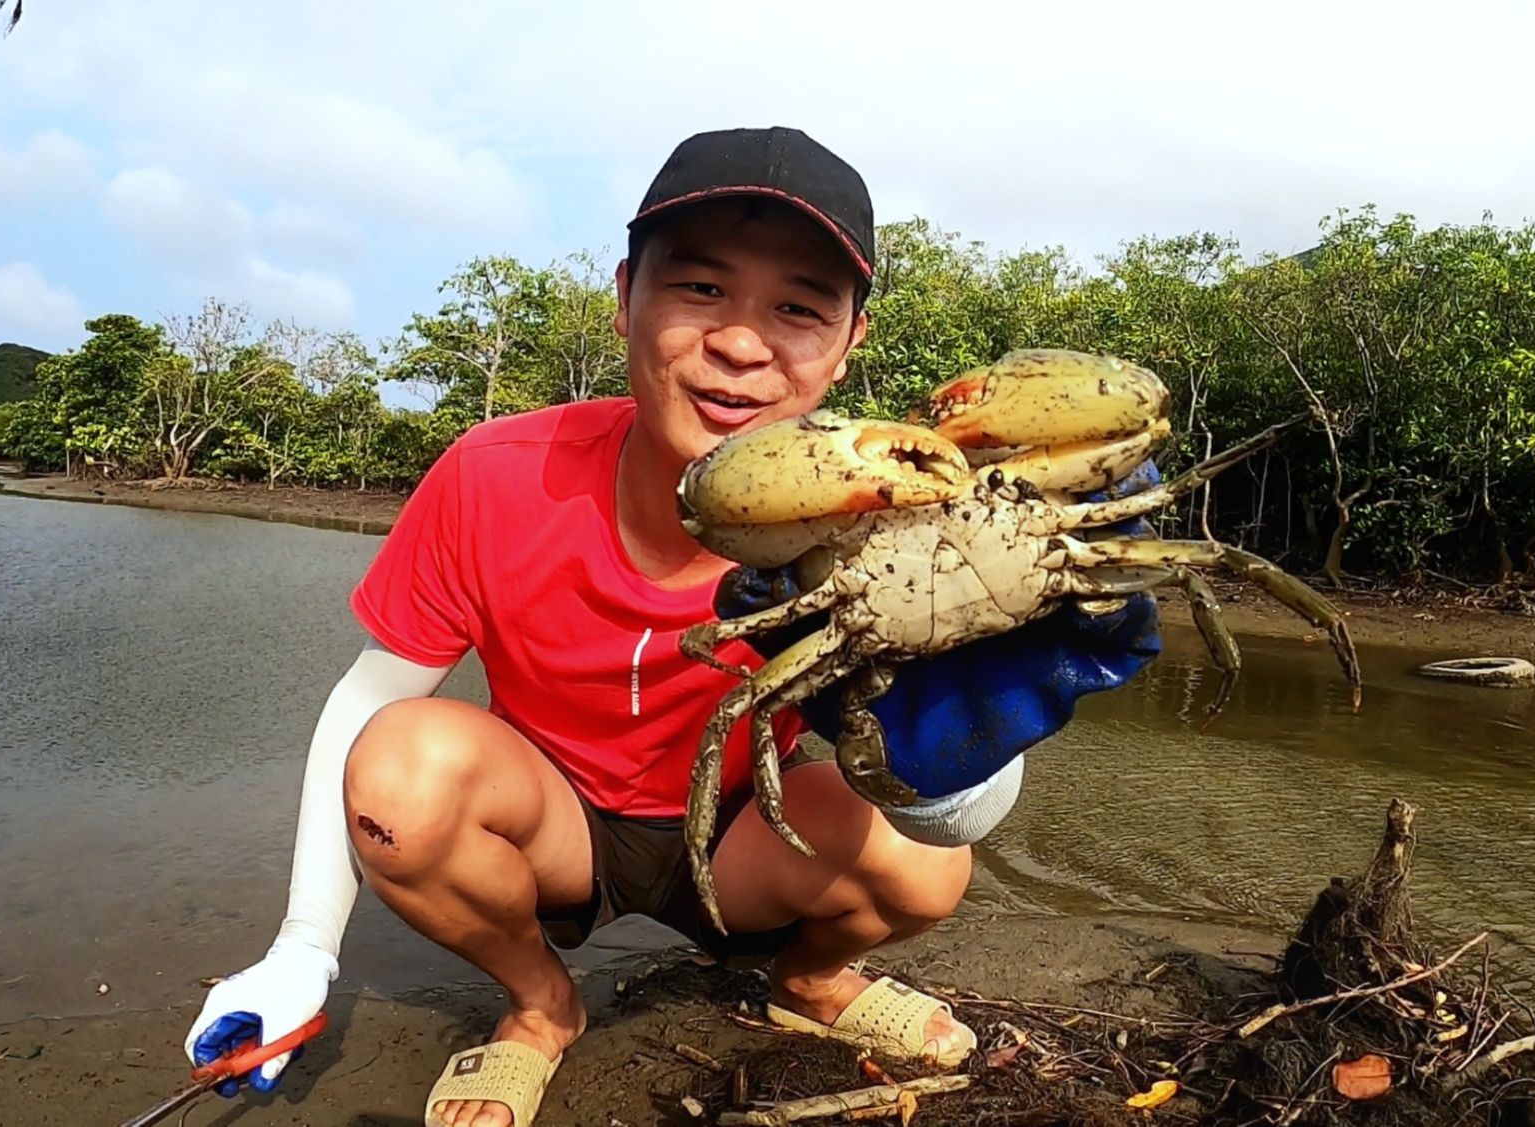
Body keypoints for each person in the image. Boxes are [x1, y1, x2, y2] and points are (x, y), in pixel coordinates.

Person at [183, 126, 1163, 1127]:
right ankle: (539, 1004)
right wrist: (304, 943)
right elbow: (368, 694)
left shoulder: (897, 514)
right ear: (625, 297)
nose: (741, 342)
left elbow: (941, 785)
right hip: (557, 826)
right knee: (399, 771)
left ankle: (814, 979)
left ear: (849, 343)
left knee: (929, 863)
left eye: (796, 306)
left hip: (743, 833)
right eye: (700, 288)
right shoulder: (492, 472)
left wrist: (954, 766)